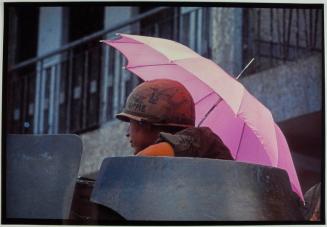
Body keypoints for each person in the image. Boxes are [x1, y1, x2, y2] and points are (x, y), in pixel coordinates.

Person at [116, 79, 233, 160]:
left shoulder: (202, 139)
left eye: (131, 123)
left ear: (145, 124)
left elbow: (142, 161)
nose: (127, 133)